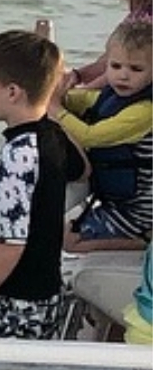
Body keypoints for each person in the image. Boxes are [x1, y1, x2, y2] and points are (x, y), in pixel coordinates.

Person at [0, 29, 87, 338]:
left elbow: (9, 244)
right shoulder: (52, 137)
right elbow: (82, 170)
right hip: (48, 299)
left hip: (16, 306)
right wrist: (53, 107)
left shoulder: (17, 155)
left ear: (12, 92)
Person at [54, 17, 152, 253]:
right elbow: (81, 100)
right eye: (115, 66)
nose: (123, 76)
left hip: (141, 210)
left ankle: (144, 240)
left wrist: (54, 109)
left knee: (69, 241)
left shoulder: (145, 111)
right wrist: (57, 92)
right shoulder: (111, 96)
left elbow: (90, 136)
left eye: (136, 69)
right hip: (118, 202)